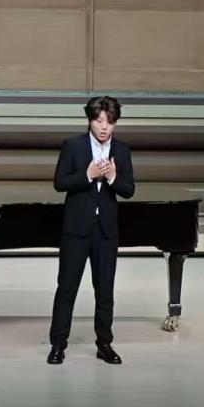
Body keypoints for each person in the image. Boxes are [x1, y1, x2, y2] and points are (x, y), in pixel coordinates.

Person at [47, 95, 135, 365]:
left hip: (106, 232)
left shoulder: (122, 150)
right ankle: (58, 345)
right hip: (76, 230)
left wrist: (112, 177)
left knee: (105, 291)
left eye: (110, 122)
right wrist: (87, 175)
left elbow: (129, 189)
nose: (104, 127)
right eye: (99, 121)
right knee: (67, 288)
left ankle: (104, 344)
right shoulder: (73, 146)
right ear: (89, 120)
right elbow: (59, 183)